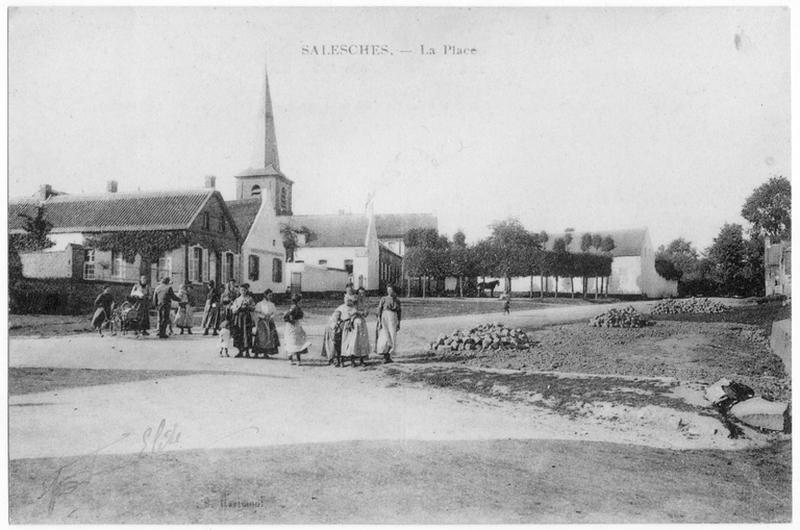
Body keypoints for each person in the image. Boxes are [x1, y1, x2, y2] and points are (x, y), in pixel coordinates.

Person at [338, 293, 370, 367]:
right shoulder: (351, 304)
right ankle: (352, 360)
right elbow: (351, 313)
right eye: (360, 294)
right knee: (353, 342)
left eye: (363, 294)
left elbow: (365, 314)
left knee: (362, 341)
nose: (361, 295)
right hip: (354, 324)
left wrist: (365, 312)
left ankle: (362, 360)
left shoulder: (363, 305)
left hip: (362, 324)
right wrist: (358, 313)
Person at [376, 285, 401, 363]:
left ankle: (389, 356)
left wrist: (399, 323)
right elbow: (379, 309)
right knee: (385, 336)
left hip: (393, 318)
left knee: (392, 335)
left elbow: (399, 312)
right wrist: (379, 320)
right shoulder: (383, 299)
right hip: (385, 317)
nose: (390, 291)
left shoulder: (397, 300)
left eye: (391, 290)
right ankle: (385, 355)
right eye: (388, 290)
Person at [283, 294, 311, 365]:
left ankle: (294, 360)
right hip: (293, 325)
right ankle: (295, 360)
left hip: (295, 325)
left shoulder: (296, 307)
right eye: (300, 301)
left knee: (295, 341)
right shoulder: (294, 308)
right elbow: (286, 317)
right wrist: (292, 321)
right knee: (294, 341)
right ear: (298, 301)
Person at [229, 283, 255, 357]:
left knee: (247, 333)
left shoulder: (249, 299)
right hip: (239, 318)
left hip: (246, 318)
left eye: (244, 290)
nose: (243, 291)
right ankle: (240, 351)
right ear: (240, 291)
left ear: (246, 291)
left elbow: (253, 307)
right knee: (239, 333)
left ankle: (247, 352)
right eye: (241, 290)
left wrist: (248, 306)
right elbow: (233, 309)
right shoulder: (237, 299)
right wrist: (238, 308)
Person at [252, 289, 280, 358]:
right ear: (265, 295)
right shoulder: (260, 304)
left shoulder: (272, 304)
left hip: (269, 322)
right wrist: (263, 317)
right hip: (262, 322)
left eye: (271, 295)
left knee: (269, 337)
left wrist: (270, 317)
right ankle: (257, 352)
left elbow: (274, 313)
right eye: (269, 295)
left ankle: (266, 352)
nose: (271, 297)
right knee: (261, 337)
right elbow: (257, 312)